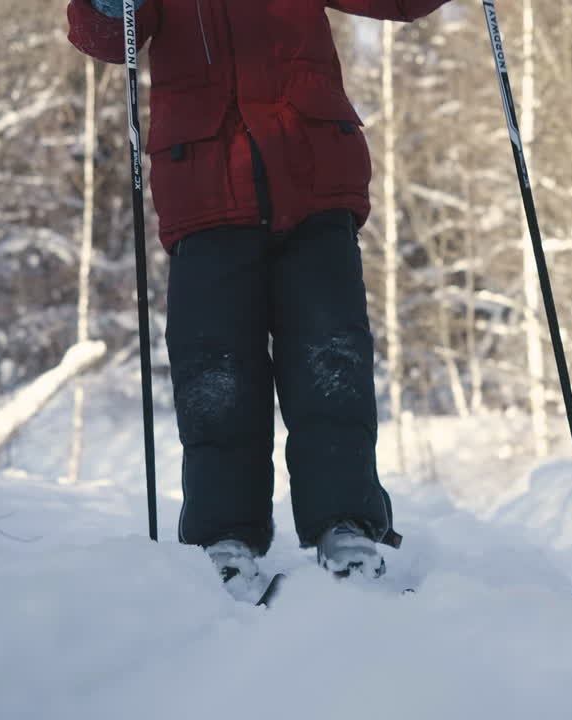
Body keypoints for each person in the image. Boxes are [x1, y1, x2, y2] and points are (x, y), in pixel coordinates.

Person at [65, 0, 452, 596]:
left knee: (332, 361)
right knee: (215, 374)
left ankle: (345, 524)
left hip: (314, 178)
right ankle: (224, 536)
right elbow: (109, 37)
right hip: (205, 189)